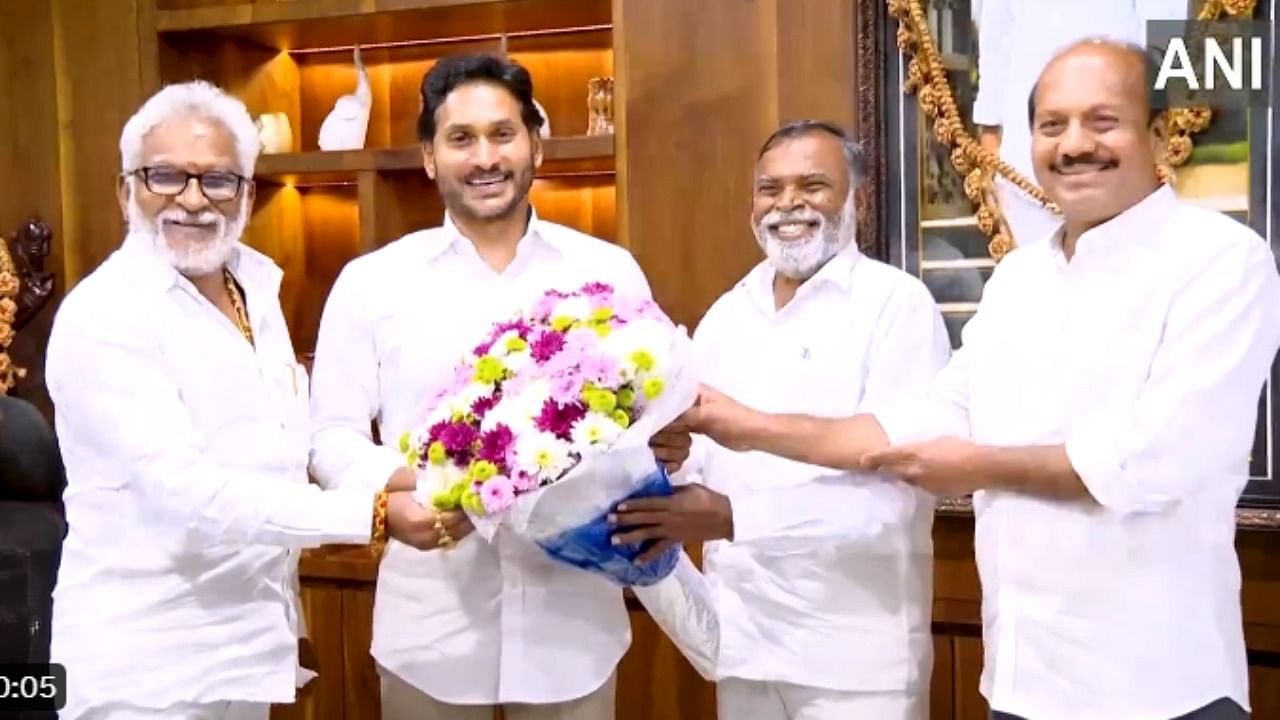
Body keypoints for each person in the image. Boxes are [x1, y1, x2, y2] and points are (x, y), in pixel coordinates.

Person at [681, 41, 1280, 720]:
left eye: (1102, 121)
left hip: (1158, 685)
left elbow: (1154, 458)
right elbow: (937, 413)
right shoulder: (1023, 277)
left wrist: (975, 466)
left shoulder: (1220, 261)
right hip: (1021, 680)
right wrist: (740, 424)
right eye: (1052, 126)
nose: (1074, 144)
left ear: (1161, 134)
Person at [307, 53, 688, 720]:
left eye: (503, 134)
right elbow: (329, 440)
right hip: (430, 633)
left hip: (574, 629)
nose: (485, 157)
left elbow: (651, 421)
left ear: (535, 143)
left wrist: (665, 446)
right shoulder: (372, 282)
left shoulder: (607, 272)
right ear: (429, 157)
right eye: (461, 139)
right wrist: (428, 482)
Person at [44, 80, 441, 720]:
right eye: (165, 177)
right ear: (126, 190)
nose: (193, 201)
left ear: (249, 195)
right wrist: (372, 515)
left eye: (218, 180)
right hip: (146, 673)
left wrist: (428, 476)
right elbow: (191, 493)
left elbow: (295, 446)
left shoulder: (252, 286)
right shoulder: (105, 315)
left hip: (248, 654)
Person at [609, 120, 950, 719]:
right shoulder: (726, 314)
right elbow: (706, 463)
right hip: (741, 646)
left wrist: (730, 515)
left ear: (857, 200)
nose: (788, 203)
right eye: (770, 188)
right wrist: (666, 461)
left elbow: (896, 489)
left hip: (854, 662)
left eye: (813, 184)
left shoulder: (898, 307)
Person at [973, 0, 1186, 248]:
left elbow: (1167, 35)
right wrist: (990, 146)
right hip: (1024, 162)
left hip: (1120, 148)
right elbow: (994, 41)